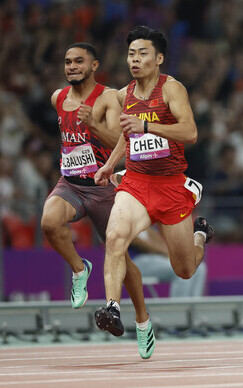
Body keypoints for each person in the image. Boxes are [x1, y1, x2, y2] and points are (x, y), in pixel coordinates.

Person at [93, 26, 213, 349]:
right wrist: (109, 164)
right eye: (131, 54)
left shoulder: (172, 90)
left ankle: (200, 234)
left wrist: (147, 124)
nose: (135, 59)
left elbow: (190, 133)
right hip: (136, 182)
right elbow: (126, 134)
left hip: (171, 186)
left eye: (142, 53)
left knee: (185, 269)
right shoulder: (124, 94)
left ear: (158, 58)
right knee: (115, 237)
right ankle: (113, 308)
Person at [41, 42, 154, 359]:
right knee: (49, 222)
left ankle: (143, 322)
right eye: (67, 62)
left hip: (104, 188)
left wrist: (92, 125)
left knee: (123, 261)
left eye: (79, 61)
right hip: (71, 183)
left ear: (94, 66)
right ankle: (80, 269)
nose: (72, 66)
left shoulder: (108, 97)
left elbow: (123, 140)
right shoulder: (58, 98)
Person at [131, 226, 207, 298]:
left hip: (155, 259)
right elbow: (146, 246)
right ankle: (178, 309)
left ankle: (193, 308)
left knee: (199, 268)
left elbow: (162, 245)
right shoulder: (124, 223)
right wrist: (168, 254)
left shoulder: (144, 225)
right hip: (135, 262)